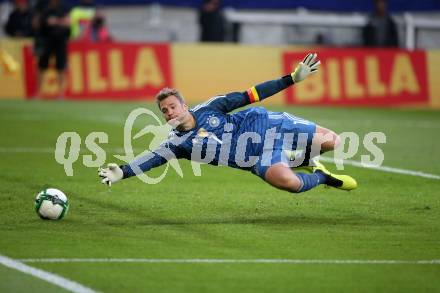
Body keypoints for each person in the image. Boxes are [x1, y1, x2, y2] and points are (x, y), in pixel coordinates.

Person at [99, 53, 358, 194]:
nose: (169, 113)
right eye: (164, 111)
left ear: (184, 106)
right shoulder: (177, 144)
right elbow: (152, 158)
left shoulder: (211, 106)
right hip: (258, 158)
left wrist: (291, 78)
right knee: (290, 184)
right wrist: (122, 172)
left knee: (332, 141)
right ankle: (321, 177)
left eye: (172, 107)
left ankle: (301, 158)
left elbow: (252, 93)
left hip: (265, 125)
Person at [36, 0, 70, 98]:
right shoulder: (44, 8)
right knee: (42, 67)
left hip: (60, 42)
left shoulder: (64, 8)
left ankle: (61, 93)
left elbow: (68, 23)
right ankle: (39, 92)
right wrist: (57, 21)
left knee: (61, 67)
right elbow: (38, 24)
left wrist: (55, 21)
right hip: (47, 41)